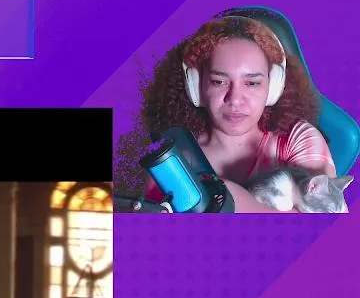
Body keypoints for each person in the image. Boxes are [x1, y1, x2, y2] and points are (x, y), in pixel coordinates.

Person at [136, 15, 339, 212]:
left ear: (273, 87)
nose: (235, 99)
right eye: (219, 82)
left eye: (252, 83)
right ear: (196, 86)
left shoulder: (298, 138)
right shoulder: (172, 161)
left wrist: (238, 201)